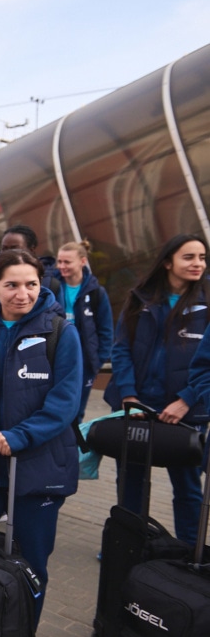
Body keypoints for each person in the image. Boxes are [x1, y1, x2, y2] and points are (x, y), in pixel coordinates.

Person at [0, 249, 83, 626]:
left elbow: (65, 401)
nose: (23, 294)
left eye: (31, 284)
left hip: (37, 470)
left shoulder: (60, 332)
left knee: (31, 568)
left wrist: (19, 436)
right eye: (11, 285)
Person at [104, 234, 210, 545]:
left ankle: (190, 555)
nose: (198, 264)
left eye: (202, 258)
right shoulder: (141, 298)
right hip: (137, 407)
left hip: (186, 411)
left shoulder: (207, 302)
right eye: (189, 257)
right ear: (167, 262)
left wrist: (186, 401)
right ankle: (126, 547)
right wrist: (128, 395)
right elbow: (121, 349)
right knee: (130, 483)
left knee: (188, 488)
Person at [54, 240, 113, 422]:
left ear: (82, 261)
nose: (62, 266)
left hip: (84, 362)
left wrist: (97, 360)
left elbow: (106, 329)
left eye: (67, 262)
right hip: (57, 357)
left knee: (77, 410)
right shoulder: (53, 286)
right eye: (59, 261)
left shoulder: (96, 292)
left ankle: (74, 447)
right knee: (56, 407)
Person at [0, 224, 62, 315]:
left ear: (31, 250)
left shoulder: (51, 284)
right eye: (4, 248)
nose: (8, 253)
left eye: (14, 248)